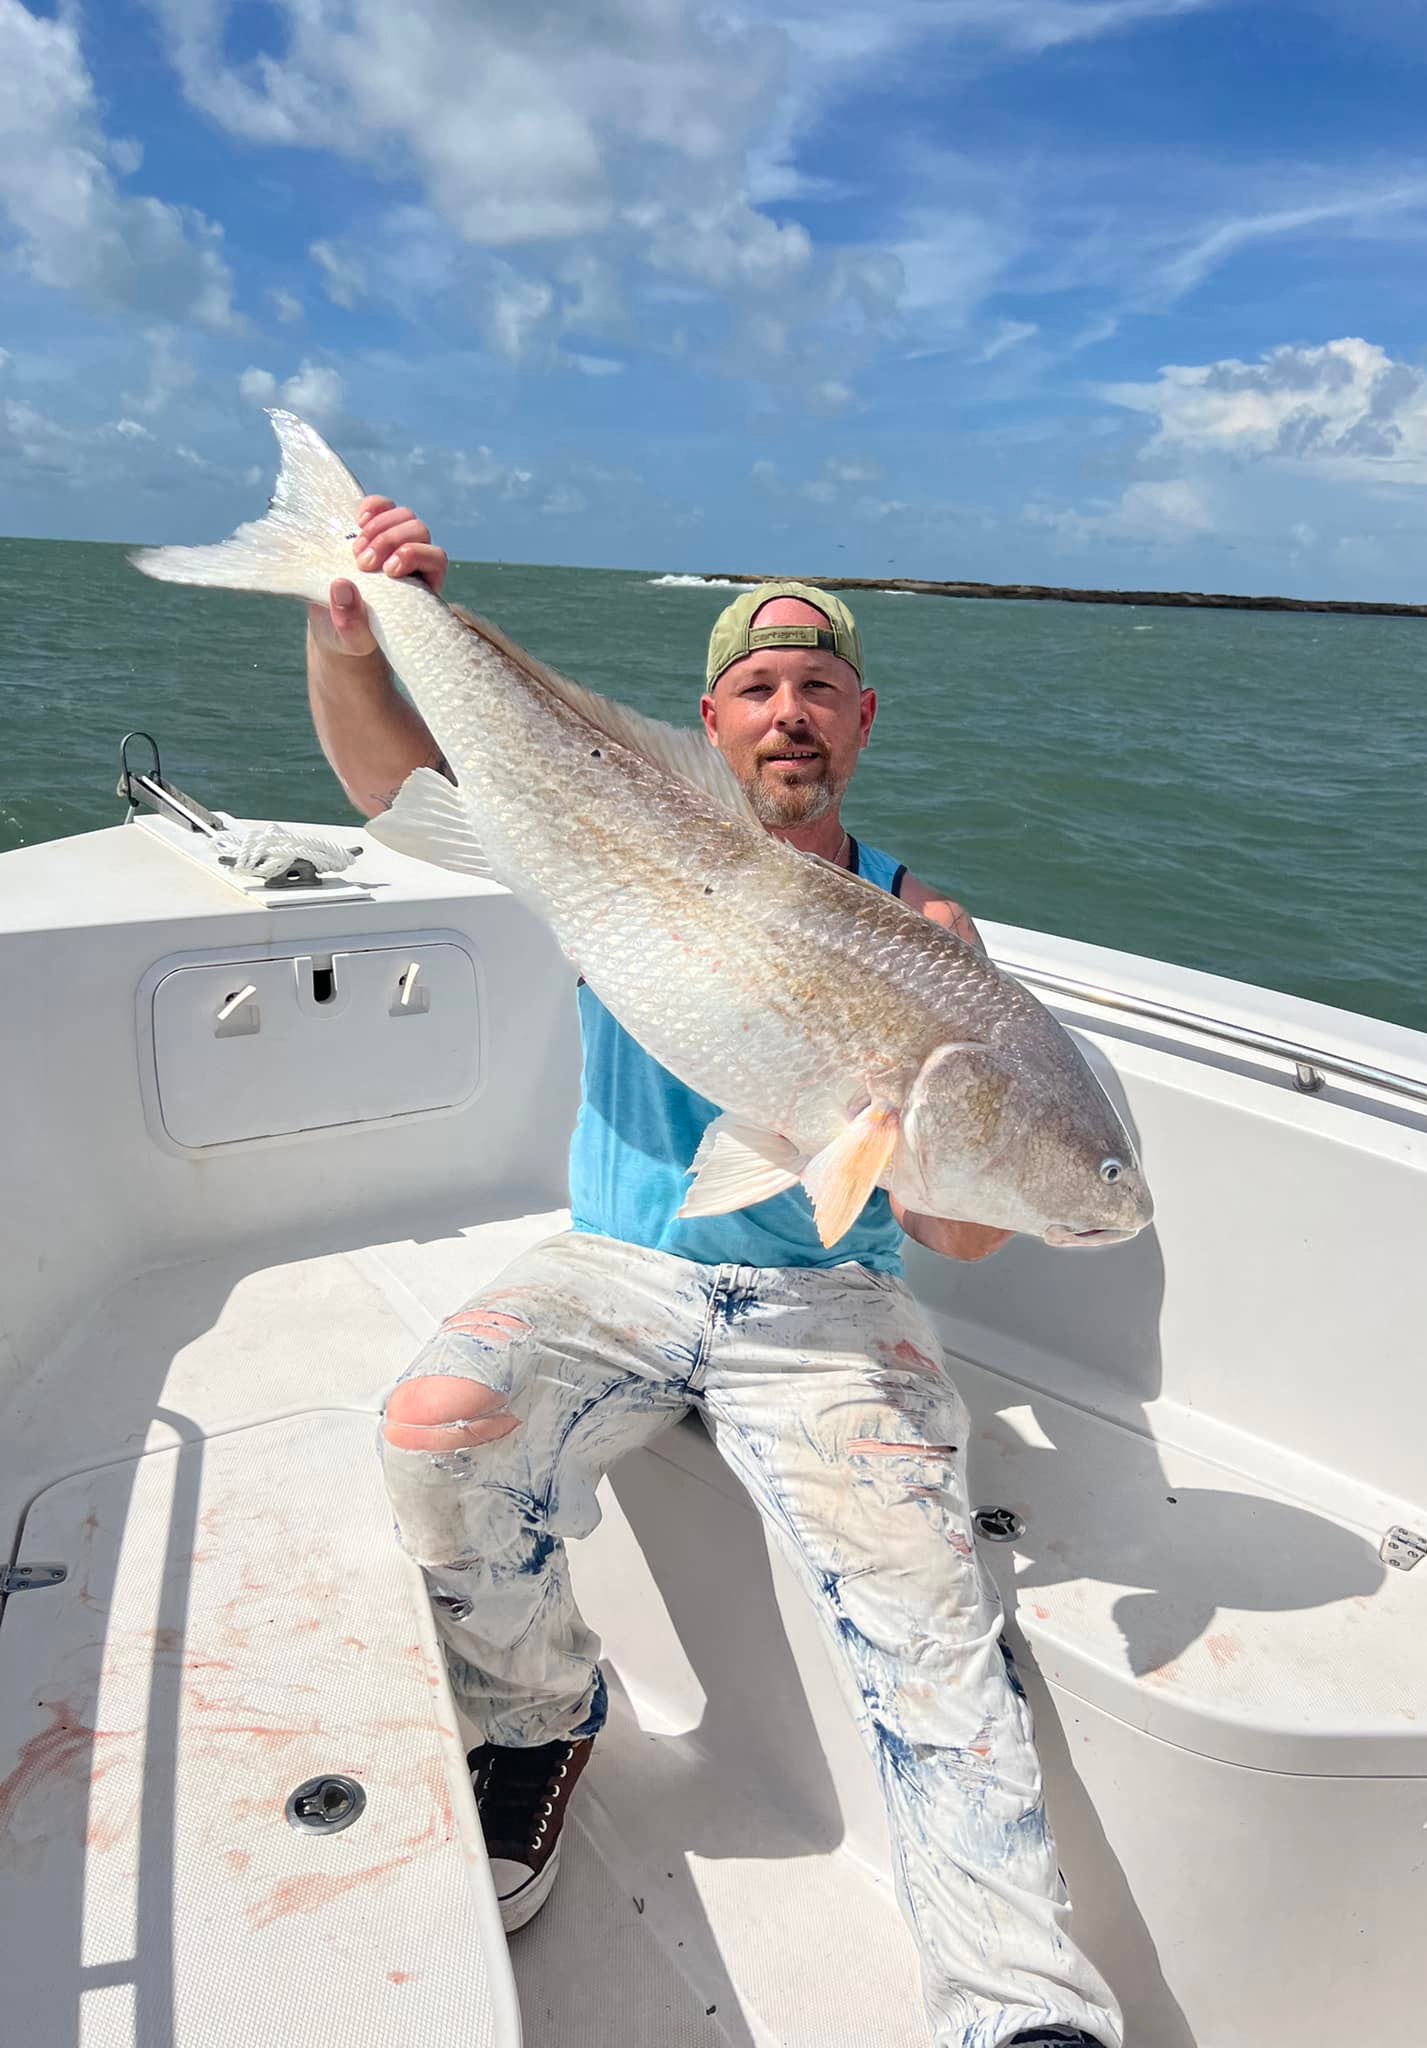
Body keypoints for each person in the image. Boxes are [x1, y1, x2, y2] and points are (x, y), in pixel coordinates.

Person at [304, 495, 1121, 2048]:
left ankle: (1025, 2013)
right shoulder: (612, 843)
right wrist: (352, 631)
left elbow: (952, 1237)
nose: (789, 711)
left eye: (818, 686)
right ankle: (542, 1713)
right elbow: (393, 785)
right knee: (435, 1425)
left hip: (829, 1313)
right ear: (710, 720)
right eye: (758, 687)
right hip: (618, 1263)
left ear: (862, 720)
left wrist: (941, 1110)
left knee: (932, 1625)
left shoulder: (926, 929)